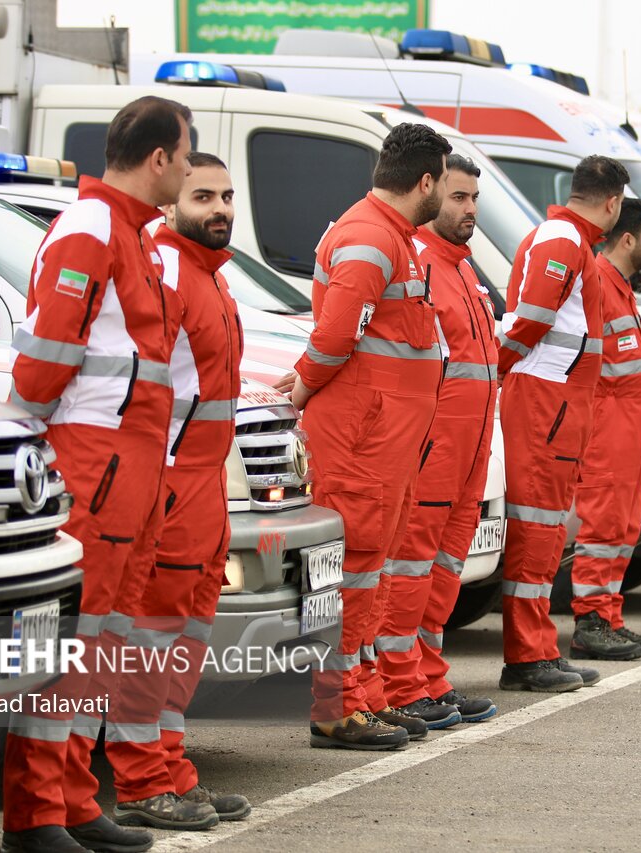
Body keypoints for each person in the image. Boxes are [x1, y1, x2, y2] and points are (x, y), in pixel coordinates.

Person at [2, 96, 194, 853]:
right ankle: (35, 814)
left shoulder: (132, 235)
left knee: (103, 640)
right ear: (158, 159)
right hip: (95, 458)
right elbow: (48, 354)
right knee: (72, 639)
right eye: (184, 157)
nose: (185, 168)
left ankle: (75, 799)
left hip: (129, 462)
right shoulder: (91, 229)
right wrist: (25, 443)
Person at [86, 153, 251, 831]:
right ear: (171, 201)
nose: (219, 208)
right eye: (203, 195)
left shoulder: (213, 277)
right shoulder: (168, 270)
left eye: (227, 195)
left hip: (205, 490)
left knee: (185, 641)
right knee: (152, 642)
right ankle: (142, 780)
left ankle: (172, 769)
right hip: (175, 485)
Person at [290, 122, 451, 749]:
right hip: (362, 437)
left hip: (385, 438)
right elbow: (334, 338)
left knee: (371, 567)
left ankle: (360, 694)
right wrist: (301, 388)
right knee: (354, 567)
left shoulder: (394, 237)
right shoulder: (369, 238)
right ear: (427, 180)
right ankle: (334, 707)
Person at [374, 154, 500, 723]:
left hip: (468, 451)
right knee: (410, 567)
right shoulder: (420, 263)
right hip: (432, 448)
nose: (469, 208)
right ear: (430, 196)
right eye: (457, 197)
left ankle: (427, 676)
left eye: (475, 198)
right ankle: (400, 686)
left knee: (446, 567)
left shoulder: (463, 268)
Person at [497, 155, 629, 690]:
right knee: (536, 532)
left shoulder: (570, 241)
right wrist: (493, 369)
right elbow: (529, 319)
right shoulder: (563, 241)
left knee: (547, 533)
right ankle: (528, 657)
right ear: (614, 202)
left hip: (557, 403)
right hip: (545, 403)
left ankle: (539, 649)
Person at [567, 198, 641, 659]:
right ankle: (590, 622)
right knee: (603, 527)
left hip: (629, 434)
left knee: (623, 528)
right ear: (628, 239)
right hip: (607, 435)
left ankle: (609, 616)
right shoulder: (600, 285)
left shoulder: (620, 287)